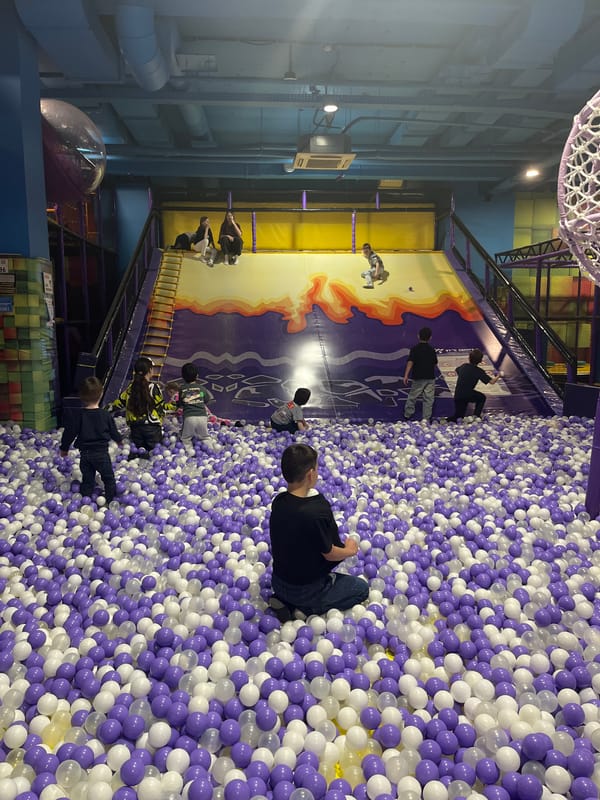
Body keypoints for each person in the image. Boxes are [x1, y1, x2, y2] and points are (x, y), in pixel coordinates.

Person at [268, 443, 369, 622]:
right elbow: (330, 553)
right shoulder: (316, 509)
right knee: (361, 589)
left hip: (278, 582)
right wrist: (350, 549)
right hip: (307, 590)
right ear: (310, 474)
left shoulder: (279, 501)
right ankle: (306, 608)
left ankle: (286, 601)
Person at [59, 376, 123, 503]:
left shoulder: (78, 416)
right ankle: (110, 501)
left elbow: (69, 433)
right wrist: (119, 441)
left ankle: (85, 501)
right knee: (108, 478)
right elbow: (113, 431)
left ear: (81, 396)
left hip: (86, 455)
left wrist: (64, 448)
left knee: (88, 480)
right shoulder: (105, 415)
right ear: (101, 393)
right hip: (101, 454)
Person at [107, 356, 176, 459]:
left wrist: (103, 411)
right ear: (149, 370)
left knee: (137, 454)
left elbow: (118, 404)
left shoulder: (131, 388)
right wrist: (176, 405)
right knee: (154, 456)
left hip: (135, 429)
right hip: (152, 429)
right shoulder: (154, 388)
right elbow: (162, 408)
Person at [447, 348, 500, 422]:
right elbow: (492, 382)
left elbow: (457, 370)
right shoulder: (479, 371)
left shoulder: (463, 366)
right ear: (480, 361)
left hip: (458, 394)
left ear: (469, 358)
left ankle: (447, 420)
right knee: (482, 398)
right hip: (468, 394)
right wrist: (498, 376)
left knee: (458, 416)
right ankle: (476, 416)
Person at [403, 326, 438, 422]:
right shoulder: (431, 350)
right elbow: (435, 363)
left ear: (418, 336)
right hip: (430, 377)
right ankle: (426, 418)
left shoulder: (415, 349)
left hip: (418, 377)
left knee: (413, 396)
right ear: (430, 337)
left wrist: (406, 375)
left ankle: (408, 414)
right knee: (429, 399)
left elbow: (410, 362)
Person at [177, 362, 210, 448]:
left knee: (186, 438)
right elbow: (206, 400)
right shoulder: (201, 389)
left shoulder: (182, 389)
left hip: (189, 417)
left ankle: (188, 454)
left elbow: (180, 403)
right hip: (202, 417)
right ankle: (211, 451)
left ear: (183, 377)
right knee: (205, 437)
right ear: (197, 376)